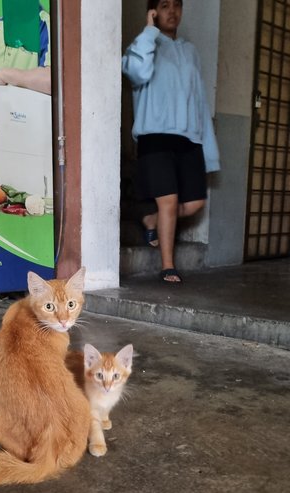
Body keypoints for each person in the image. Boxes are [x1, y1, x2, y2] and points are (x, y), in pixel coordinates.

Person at [122, 0, 220, 283]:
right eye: (164, 5)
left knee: (196, 202)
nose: (172, 11)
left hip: (189, 138)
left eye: (176, 5)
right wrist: (149, 31)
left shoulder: (190, 52)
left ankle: (151, 221)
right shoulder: (142, 46)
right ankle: (168, 265)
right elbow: (135, 73)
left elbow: (199, 100)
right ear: (153, 11)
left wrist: (208, 151)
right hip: (155, 137)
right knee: (169, 201)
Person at [0, 5, 51, 112]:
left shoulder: (47, 24)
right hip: (5, 125)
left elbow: (53, 81)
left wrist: (5, 75)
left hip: (39, 124)